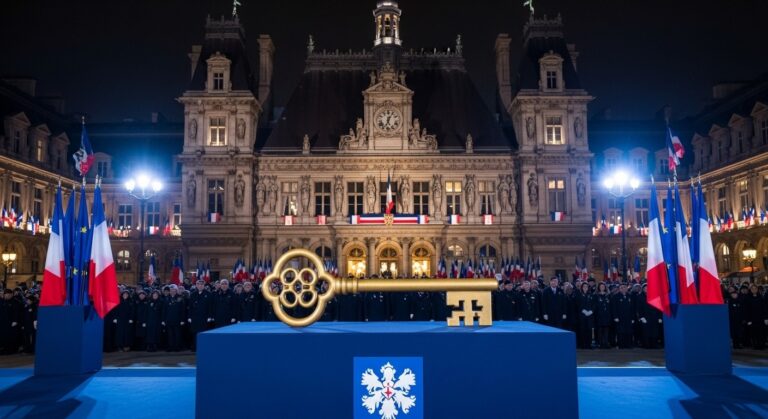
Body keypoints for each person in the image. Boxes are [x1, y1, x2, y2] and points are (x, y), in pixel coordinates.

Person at [188, 279, 213, 350]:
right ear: (196, 285)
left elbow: (210, 306)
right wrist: (189, 316)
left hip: (204, 317)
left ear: (204, 286)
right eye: (198, 284)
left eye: (201, 284)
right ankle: (195, 346)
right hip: (195, 317)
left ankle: (203, 347)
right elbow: (190, 307)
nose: (200, 286)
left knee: (203, 332)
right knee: (194, 333)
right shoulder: (193, 294)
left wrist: (209, 316)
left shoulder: (208, 294)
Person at [636, 284, 662, 349]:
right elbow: (638, 308)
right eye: (645, 288)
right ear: (643, 289)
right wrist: (641, 317)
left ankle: (654, 344)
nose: (646, 289)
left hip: (654, 316)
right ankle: (646, 345)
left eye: (648, 288)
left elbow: (658, 306)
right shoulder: (640, 296)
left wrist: (659, 317)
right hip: (645, 317)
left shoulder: (654, 295)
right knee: (646, 332)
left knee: (654, 332)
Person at [162, 285, 186, 352]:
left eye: (174, 290)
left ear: (176, 290)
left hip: (177, 320)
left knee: (177, 334)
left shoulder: (180, 298)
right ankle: (170, 346)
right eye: (171, 290)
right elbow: (164, 310)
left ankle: (177, 347)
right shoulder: (166, 299)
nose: (172, 291)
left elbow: (182, 310)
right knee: (169, 334)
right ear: (170, 291)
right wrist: (163, 320)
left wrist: (182, 320)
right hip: (168, 319)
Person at [611, 284, 635, 349]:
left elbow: (633, 308)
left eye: (625, 287)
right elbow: (614, 308)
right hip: (619, 318)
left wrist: (633, 318)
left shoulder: (630, 296)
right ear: (619, 289)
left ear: (627, 288)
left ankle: (629, 345)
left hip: (628, 317)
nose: (623, 288)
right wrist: (615, 317)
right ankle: (621, 345)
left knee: (629, 331)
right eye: (621, 287)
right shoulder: (615, 297)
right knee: (620, 332)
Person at [744, 284, 766, 349]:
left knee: (761, 333)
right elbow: (746, 310)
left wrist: (765, 318)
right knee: (754, 333)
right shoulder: (747, 298)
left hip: (760, 318)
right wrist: (748, 320)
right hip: (752, 319)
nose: (754, 290)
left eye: (755, 289)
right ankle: (755, 345)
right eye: (752, 289)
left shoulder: (761, 297)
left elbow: (764, 308)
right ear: (750, 290)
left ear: (757, 289)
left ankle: (761, 345)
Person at [575, 282, 595, 349]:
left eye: (586, 286)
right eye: (584, 286)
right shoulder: (579, 295)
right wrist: (583, 311)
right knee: (582, 330)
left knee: (589, 330)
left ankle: (589, 344)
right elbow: (577, 304)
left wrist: (591, 311)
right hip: (582, 315)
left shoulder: (591, 295)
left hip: (590, 315)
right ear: (582, 287)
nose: (585, 288)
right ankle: (583, 344)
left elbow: (594, 304)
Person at [595, 282, 612, 348]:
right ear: (599, 287)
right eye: (601, 286)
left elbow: (610, 306)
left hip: (607, 315)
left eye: (603, 286)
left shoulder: (608, 295)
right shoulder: (596, 295)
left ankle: (606, 343)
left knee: (606, 330)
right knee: (600, 330)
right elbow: (595, 306)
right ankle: (600, 343)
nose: (602, 287)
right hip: (599, 316)